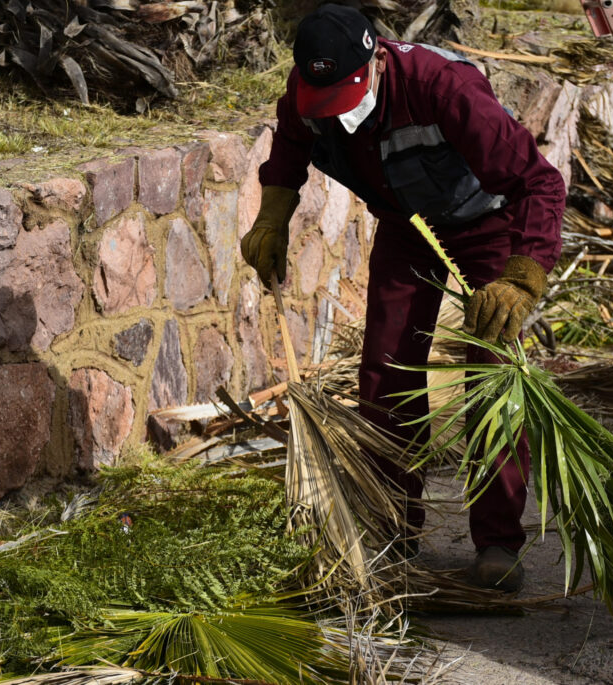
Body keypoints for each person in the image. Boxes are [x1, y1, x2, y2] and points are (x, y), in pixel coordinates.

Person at [240, 3, 565, 593]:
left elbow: (539, 183)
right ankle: (392, 533)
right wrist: (273, 215)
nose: (337, 117)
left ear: (375, 64)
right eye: (324, 102)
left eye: (345, 97)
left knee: (491, 381)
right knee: (386, 378)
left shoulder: (444, 87)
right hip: (407, 228)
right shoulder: (307, 93)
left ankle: (497, 545)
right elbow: (289, 148)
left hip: (486, 227)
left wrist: (520, 278)